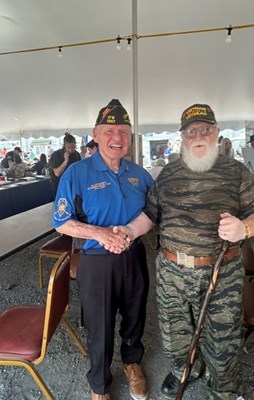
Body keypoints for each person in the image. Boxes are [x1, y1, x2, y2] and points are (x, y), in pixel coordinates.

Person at [118, 103, 254, 400]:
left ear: (216, 133)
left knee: (223, 339)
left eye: (205, 129)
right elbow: (150, 215)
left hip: (221, 271)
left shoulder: (235, 172)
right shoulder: (168, 174)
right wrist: (129, 230)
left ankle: (224, 389)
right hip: (172, 271)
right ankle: (184, 370)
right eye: (191, 131)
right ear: (183, 137)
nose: (198, 135)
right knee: (175, 335)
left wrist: (245, 229)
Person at [52, 99, 153, 400]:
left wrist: (131, 231)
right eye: (109, 130)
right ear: (95, 134)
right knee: (100, 325)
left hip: (134, 256)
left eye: (123, 130)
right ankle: (100, 385)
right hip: (96, 260)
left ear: (130, 137)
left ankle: (132, 362)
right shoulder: (77, 173)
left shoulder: (140, 175)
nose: (117, 137)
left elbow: (154, 211)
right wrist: (102, 234)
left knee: (135, 315)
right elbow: (61, 221)